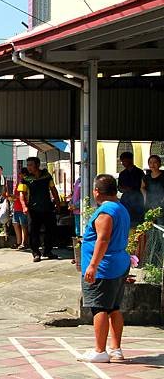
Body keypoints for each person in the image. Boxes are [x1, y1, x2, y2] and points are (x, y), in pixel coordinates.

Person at [77, 174, 131, 363]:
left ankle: (100, 350)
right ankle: (115, 349)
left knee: (99, 308)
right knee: (114, 308)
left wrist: (93, 265)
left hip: (104, 267)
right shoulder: (121, 208)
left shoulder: (106, 212)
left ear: (97, 191)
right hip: (118, 264)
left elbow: (103, 239)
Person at [18, 157, 60, 263]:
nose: (28, 167)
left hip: (47, 207)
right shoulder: (25, 178)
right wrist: (24, 206)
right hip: (33, 209)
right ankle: (36, 253)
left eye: (30, 165)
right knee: (33, 231)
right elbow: (21, 194)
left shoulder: (46, 176)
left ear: (37, 165)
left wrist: (58, 203)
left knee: (50, 230)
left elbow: (53, 190)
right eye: (27, 165)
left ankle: (48, 251)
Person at [118, 152, 145, 227]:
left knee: (138, 222)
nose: (122, 163)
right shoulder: (122, 174)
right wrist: (124, 189)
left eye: (124, 161)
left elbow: (143, 186)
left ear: (130, 160)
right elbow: (119, 187)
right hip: (126, 200)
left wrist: (132, 188)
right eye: (122, 161)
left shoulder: (139, 172)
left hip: (137, 200)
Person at [141, 154, 164, 224]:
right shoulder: (146, 177)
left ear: (160, 164)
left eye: (155, 162)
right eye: (150, 162)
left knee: (160, 227)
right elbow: (142, 187)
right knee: (149, 226)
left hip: (162, 207)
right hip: (149, 206)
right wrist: (145, 198)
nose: (152, 165)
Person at [12, 168, 29, 250]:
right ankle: (18, 242)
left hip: (22, 207)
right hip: (16, 207)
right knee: (16, 224)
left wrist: (17, 197)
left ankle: (24, 242)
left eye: (21, 174)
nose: (19, 175)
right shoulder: (19, 183)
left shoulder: (26, 183)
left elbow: (26, 195)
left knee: (23, 225)